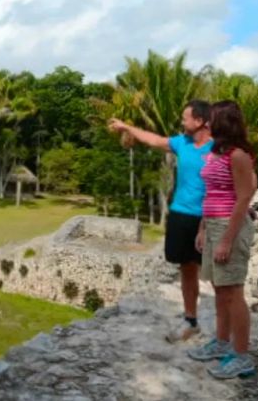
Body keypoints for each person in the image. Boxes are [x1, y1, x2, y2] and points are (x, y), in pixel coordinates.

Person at [109, 99, 212, 342]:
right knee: (186, 268)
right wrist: (126, 127)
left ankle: (226, 336)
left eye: (185, 118)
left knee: (217, 275)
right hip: (180, 215)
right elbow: (152, 139)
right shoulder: (182, 143)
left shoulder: (218, 149)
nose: (182, 121)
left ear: (199, 121)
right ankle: (191, 321)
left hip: (208, 217)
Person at [187, 100, 257, 379]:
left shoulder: (238, 155)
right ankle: (221, 343)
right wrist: (203, 230)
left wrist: (227, 240)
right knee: (219, 290)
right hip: (214, 225)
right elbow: (211, 194)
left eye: (211, 119)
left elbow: (243, 198)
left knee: (233, 294)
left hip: (231, 226)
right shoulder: (217, 153)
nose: (207, 123)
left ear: (222, 121)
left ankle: (242, 357)